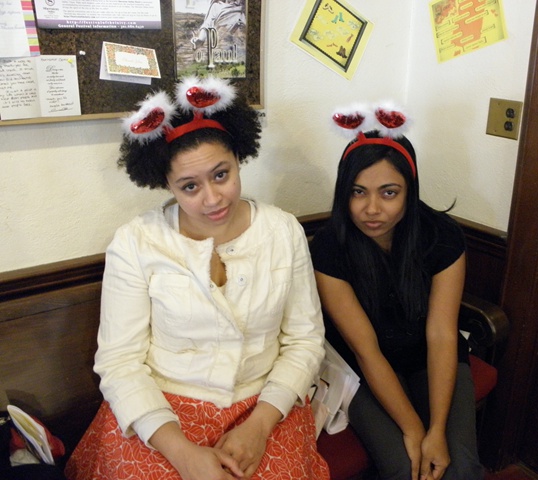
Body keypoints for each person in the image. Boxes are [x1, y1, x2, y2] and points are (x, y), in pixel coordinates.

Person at [64, 76, 329, 480]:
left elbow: (305, 341)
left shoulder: (282, 231)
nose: (212, 198)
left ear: (238, 158)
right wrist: (183, 454)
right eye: (190, 186)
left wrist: (259, 426)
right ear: (167, 184)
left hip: (264, 404)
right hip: (160, 412)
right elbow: (119, 361)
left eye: (221, 175)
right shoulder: (136, 242)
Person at [309, 104, 484, 480]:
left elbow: (441, 334)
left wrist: (436, 430)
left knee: (460, 466)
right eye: (358, 192)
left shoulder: (441, 237)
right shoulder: (328, 247)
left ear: (409, 190)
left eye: (389, 193)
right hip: (361, 366)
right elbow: (365, 349)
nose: (371, 209)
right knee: (406, 467)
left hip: (429, 354)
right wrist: (415, 430)